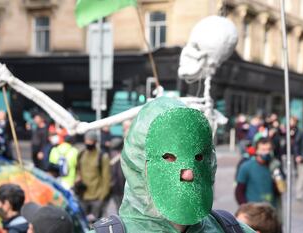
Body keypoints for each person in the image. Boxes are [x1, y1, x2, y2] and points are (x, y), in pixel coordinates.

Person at [90, 97, 254, 233]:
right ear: (138, 164)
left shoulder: (231, 229)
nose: (188, 174)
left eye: (197, 157)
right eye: (168, 157)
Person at [75, 130, 111, 222]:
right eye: (87, 140)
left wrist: (102, 197)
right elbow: (78, 170)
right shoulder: (81, 154)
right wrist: (77, 181)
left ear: (95, 142)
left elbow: (106, 178)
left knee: (97, 224)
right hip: (83, 195)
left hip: (97, 197)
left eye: (90, 141)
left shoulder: (102, 156)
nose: (88, 143)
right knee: (83, 223)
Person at [235, 138, 276, 206]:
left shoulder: (274, 166)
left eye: (269, 149)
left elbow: (281, 190)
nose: (267, 152)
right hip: (253, 209)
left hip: (270, 209)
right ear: (256, 151)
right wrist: (246, 208)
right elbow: (239, 192)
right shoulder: (246, 166)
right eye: (263, 150)